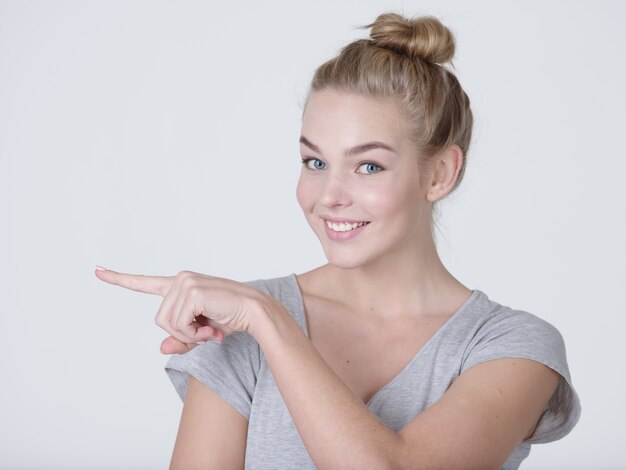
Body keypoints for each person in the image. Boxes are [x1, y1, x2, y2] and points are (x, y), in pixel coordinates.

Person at [95, 11, 581, 469]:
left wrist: (270, 321)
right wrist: (260, 317)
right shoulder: (238, 328)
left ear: (440, 173)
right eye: (315, 162)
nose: (329, 195)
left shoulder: (511, 346)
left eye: (368, 166)